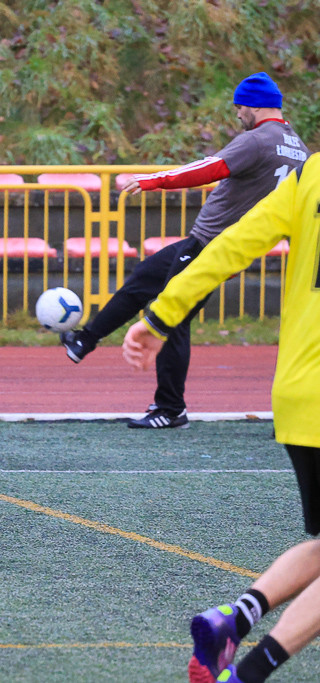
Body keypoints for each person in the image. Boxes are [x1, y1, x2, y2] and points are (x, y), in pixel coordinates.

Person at [122, 151, 320, 683]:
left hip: (301, 395)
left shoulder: (309, 175)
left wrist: (161, 316)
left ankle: (236, 618)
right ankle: (247, 676)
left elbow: (229, 244)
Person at [60, 72, 308, 429]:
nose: (238, 115)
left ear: (253, 104)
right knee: (145, 277)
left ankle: (170, 408)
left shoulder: (257, 139)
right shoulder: (297, 146)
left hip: (213, 245)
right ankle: (84, 340)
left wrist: (154, 180)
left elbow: (209, 168)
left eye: (239, 108)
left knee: (171, 317)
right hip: (222, 245)